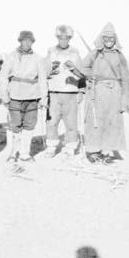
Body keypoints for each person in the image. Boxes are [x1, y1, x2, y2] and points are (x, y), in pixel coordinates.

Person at [82, 22, 129, 164]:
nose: (109, 41)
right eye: (106, 38)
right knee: (95, 121)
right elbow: (83, 67)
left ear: (115, 40)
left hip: (114, 93)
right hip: (97, 92)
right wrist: (91, 76)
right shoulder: (94, 54)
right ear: (101, 39)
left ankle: (107, 151)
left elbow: (126, 79)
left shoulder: (120, 56)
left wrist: (124, 101)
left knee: (112, 121)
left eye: (111, 39)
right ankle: (94, 151)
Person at [0, 30, 48, 164]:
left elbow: (43, 79)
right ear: (20, 41)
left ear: (33, 42)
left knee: (30, 125)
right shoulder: (11, 57)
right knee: (15, 125)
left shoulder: (38, 59)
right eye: (24, 40)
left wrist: (44, 97)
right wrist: (4, 95)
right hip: (15, 95)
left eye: (30, 41)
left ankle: (25, 153)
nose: (27, 43)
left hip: (32, 96)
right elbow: (3, 76)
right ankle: (13, 152)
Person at [43, 25, 85, 158]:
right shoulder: (51, 52)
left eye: (66, 38)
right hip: (54, 92)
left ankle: (70, 147)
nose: (63, 41)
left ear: (70, 38)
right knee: (52, 121)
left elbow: (82, 73)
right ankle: (51, 147)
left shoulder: (75, 53)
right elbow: (43, 72)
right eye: (60, 38)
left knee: (71, 122)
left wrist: (81, 91)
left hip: (71, 93)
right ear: (57, 38)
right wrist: (50, 71)